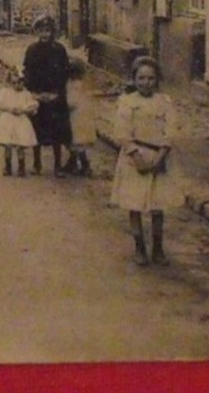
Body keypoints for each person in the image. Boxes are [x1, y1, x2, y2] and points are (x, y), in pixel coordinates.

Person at [110, 57, 177, 266]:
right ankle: (139, 247)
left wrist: (160, 156)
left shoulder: (164, 103)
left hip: (159, 156)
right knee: (135, 204)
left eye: (151, 78)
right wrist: (136, 156)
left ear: (157, 80)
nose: (146, 83)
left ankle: (158, 247)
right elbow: (122, 132)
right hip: (134, 157)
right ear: (134, 79)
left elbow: (171, 130)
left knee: (158, 207)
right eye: (141, 78)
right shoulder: (127, 102)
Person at [22, 28, 72, 176]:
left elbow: (64, 73)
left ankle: (58, 166)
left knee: (56, 133)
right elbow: (27, 73)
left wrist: (56, 93)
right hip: (37, 96)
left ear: (52, 32)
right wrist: (34, 93)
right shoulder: (31, 50)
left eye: (47, 31)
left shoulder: (59, 49)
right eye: (41, 31)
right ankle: (37, 164)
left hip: (54, 97)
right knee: (36, 131)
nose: (44, 34)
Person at [0, 68, 39, 178]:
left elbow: (33, 106)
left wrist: (24, 110)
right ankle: (7, 166)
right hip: (8, 120)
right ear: (10, 83)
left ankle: (21, 167)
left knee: (20, 145)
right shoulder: (5, 92)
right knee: (8, 144)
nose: (17, 85)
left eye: (20, 82)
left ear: (23, 82)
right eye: (14, 83)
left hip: (21, 121)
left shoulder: (26, 94)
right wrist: (9, 109)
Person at [64, 55, 95, 177]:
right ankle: (73, 163)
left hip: (76, 117)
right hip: (79, 116)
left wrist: (64, 106)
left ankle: (84, 165)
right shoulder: (76, 83)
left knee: (76, 141)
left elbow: (72, 101)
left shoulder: (76, 85)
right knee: (74, 142)